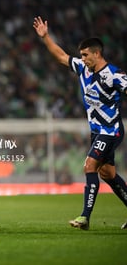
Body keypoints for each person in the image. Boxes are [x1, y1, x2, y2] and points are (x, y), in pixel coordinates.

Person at [33, 16, 127, 230]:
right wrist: (46, 37)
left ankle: (85, 217)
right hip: (97, 132)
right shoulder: (83, 69)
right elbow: (61, 56)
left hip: (110, 130)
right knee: (108, 174)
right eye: (81, 55)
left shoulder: (114, 75)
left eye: (86, 55)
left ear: (97, 53)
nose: (82, 58)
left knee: (89, 166)